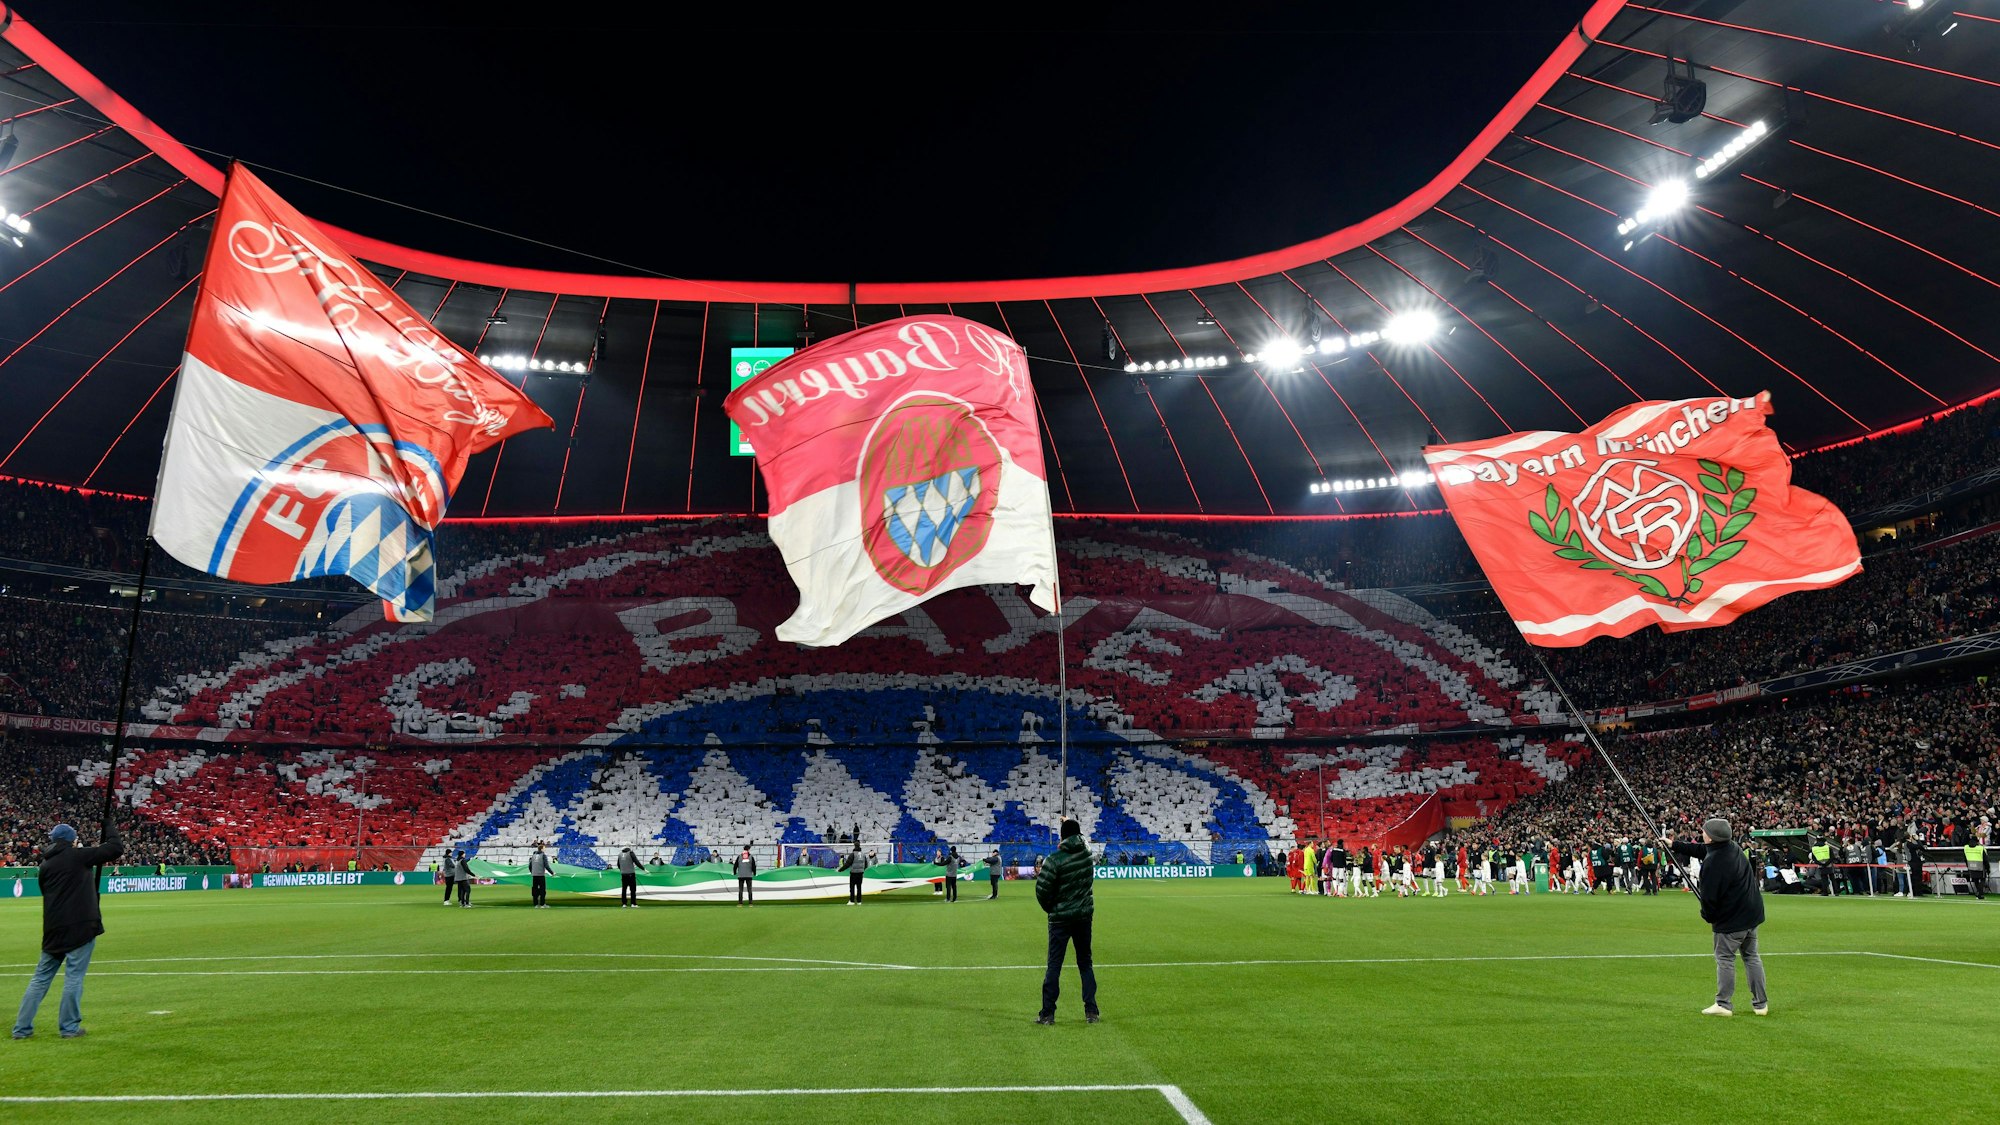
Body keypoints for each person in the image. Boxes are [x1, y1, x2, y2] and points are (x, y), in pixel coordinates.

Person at [13, 821, 122, 1039]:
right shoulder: (78, 856)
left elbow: (47, 892)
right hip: (80, 926)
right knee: (74, 977)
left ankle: (21, 1029)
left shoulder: (45, 866)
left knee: (40, 978)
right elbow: (115, 848)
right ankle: (69, 1028)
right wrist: (108, 826)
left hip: (53, 928)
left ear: (53, 840)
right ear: (72, 839)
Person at [1669, 818, 1768, 1017]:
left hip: (1731, 920)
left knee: (1724, 958)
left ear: (1711, 837)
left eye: (1704, 831)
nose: (1702, 833)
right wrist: (1674, 845)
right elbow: (1704, 850)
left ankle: (1723, 1004)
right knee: (1751, 957)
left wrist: (1708, 916)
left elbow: (1709, 898)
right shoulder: (1733, 848)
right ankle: (1761, 1005)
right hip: (1752, 914)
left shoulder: (1713, 863)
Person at [1034, 818, 1099, 1026]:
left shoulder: (1054, 860)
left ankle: (1047, 1014)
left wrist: (1052, 909)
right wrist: (1070, 824)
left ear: (1062, 836)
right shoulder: (1087, 854)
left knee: (1054, 965)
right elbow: (1083, 840)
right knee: (1085, 963)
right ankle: (1091, 1011)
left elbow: (1042, 891)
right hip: (1083, 916)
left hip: (1060, 919)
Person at [528, 843, 553, 909]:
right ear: (542, 849)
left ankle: (535, 904)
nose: (545, 849)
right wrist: (552, 873)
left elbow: (530, 866)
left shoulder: (533, 855)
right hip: (541, 875)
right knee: (542, 890)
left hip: (534, 875)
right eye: (544, 848)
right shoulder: (543, 855)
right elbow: (546, 865)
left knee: (535, 889)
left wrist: (532, 872)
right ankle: (542, 904)